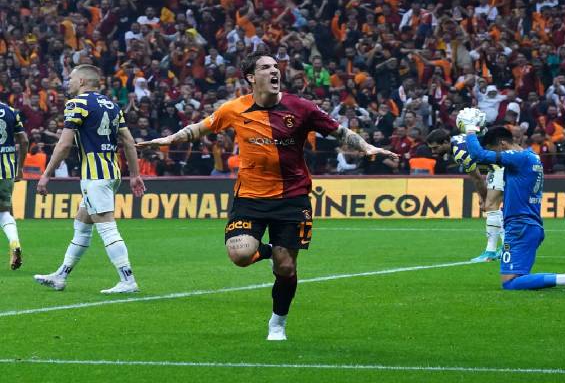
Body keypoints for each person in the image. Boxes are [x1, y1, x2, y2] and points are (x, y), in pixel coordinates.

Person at [137, 50, 397, 340]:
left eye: (276, 66)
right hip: (250, 197)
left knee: (286, 267)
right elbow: (199, 129)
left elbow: (340, 132)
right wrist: (168, 139)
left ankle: (277, 323)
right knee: (240, 255)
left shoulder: (301, 108)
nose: (275, 71)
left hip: (292, 197)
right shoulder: (234, 109)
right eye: (265, 67)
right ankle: (272, 250)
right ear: (251, 77)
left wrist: (367, 147)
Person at [456, 114, 565, 292]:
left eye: (494, 150)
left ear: (502, 145)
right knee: (520, 277)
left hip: (519, 226)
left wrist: (470, 130)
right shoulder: (531, 156)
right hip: (530, 225)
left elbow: (479, 155)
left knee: (510, 282)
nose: (494, 156)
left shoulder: (517, 158)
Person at [34, 64, 146, 294]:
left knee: (107, 229)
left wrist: (46, 175)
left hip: (95, 176)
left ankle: (128, 280)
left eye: (71, 78)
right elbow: (128, 141)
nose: (68, 82)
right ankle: (61, 275)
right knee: (82, 226)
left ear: (82, 81)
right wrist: (134, 175)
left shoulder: (77, 104)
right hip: (111, 172)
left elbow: (64, 144)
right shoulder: (112, 105)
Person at [425, 126, 504, 262]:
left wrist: (484, 198)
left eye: (436, 148)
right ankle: (500, 249)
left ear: (446, 142)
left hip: (500, 168)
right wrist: (481, 196)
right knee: (494, 208)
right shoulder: (457, 139)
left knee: (491, 207)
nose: (433, 152)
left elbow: (477, 178)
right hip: (495, 167)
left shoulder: (460, 152)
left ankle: (495, 251)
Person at [0, 102, 29, 269]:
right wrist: (20, 168)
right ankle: (14, 242)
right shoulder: (10, 111)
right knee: (4, 211)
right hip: (6, 170)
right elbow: (24, 141)